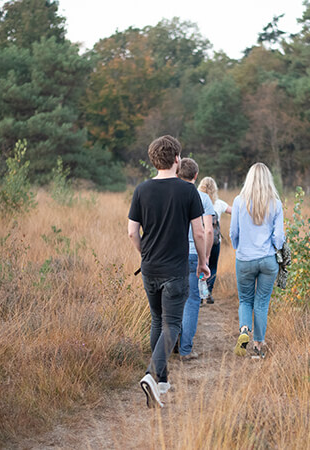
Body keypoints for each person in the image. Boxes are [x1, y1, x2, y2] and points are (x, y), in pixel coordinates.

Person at [127, 136, 210, 408]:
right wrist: (203, 261)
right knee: (172, 324)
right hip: (175, 269)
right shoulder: (189, 192)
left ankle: (161, 381)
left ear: (154, 160)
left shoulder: (141, 190)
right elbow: (199, 231)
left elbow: (131, 232)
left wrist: (145, 254)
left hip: (150, 268)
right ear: (177, 159)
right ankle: (152, 374)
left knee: (157, 320)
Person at [230, 163, 284, 359]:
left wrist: (239, 246)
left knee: (245, 300)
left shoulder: (238, 201)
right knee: (261, 303)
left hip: (244, 259)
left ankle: (244, 329)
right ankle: (258, 346)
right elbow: (279, 238)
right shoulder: (276, 204)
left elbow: (234, 232)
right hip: (268, 260)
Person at [176, 158, 214, 360]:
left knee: (174, 301)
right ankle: (185, 349)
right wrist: (205, 256)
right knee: (192, 301)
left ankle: (170, 344)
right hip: (193, 254)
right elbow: (208, 231)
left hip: (172, 255)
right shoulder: (203, 198)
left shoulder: (172, 194)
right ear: (196, 176)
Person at [198, 176, 231, 305]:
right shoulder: (219, 203)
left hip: (199, 241)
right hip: (215, 242)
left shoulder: (196, 200)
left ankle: (200, 294)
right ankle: (209, 292)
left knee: (201, 268)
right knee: (212, 267)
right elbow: (234, 211)